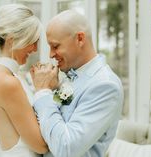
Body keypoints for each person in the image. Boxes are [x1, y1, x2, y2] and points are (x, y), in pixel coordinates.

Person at [30, 10, 124, 157]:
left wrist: (43, 92)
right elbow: (55, 121)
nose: (51, 55)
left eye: (55, 46)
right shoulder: (72, 76)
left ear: (80, 39)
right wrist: (52, 89)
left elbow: (66, 148)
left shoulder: (105, 85)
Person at [0, 4, 48, 157]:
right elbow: (41, 146)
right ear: (12, 40)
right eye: (32, 41)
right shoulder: (7, 82)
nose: (35, 49)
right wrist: (43, 90)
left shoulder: (6, 76)